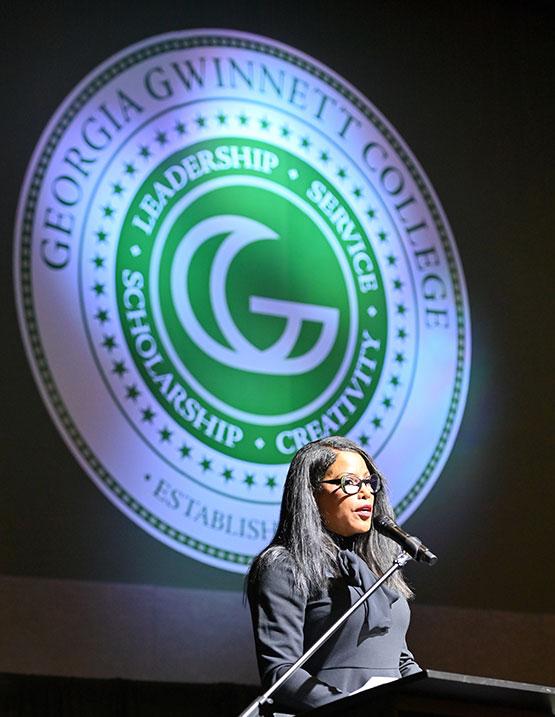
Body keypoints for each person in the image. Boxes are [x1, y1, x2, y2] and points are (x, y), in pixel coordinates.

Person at [247, 436, 421, 715]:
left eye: (369, 482)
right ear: (312, 494)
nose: (366, 493)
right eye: (350, 482)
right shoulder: (284, 565)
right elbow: (281, 671)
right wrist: (348, 707)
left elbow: (400, 659)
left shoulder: (381, 567)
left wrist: (426, 700)